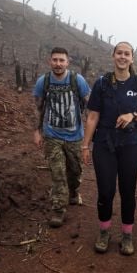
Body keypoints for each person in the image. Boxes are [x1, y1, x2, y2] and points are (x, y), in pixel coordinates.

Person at [82, 41, 137, 256]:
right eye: (119, 53)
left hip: (130, 144)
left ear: (132, 58)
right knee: (105, 191)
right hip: (104, 143)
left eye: (127, 54)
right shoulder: (102, 83)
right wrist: (85, 145)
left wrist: (132, 115)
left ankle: (127, 235)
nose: (123, 57)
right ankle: (104, 232)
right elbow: (93, 116)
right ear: (113, 56)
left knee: (128, 191)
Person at [33, 47, 91, 228]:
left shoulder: (77, 80)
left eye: (61, 60)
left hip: (74, 135)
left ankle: (73, 191)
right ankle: (58, 209)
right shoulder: (44, 81)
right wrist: (36, 130)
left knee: (75, 171)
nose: (58, 64)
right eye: (55, 60)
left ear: (68, 62)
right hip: (52, 135)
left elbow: (89, 104)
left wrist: (91, 129)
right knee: (57, 173)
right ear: (49, 61)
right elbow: (38, 107)